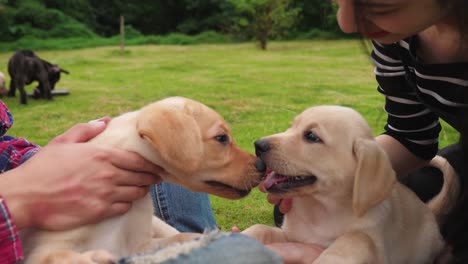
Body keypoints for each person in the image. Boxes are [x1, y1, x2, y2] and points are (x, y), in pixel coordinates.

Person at [269, 0, 468, 262]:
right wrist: (325, 174)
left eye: (378, 6)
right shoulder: (397, 38)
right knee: (312, 210)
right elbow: (410, 137)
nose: (347, 24)